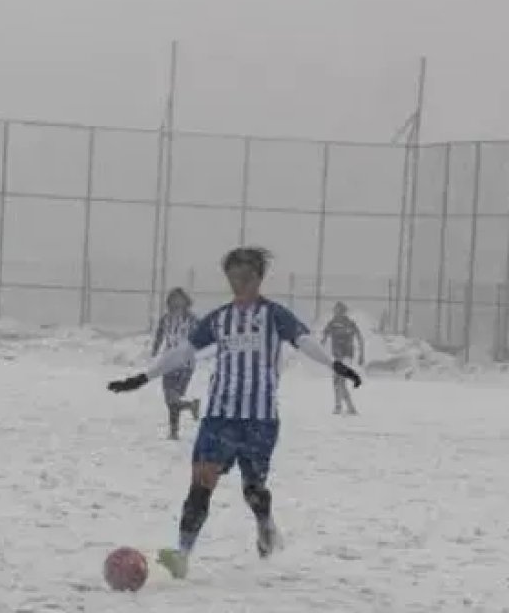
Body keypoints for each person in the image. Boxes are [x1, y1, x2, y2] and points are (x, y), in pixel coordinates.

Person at [107, 246, 362, 580]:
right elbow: (182, 351)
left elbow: (304, 341)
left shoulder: (275, 316)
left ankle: (264, 523)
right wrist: (141, 378)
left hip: (260, 418)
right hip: (219, 415)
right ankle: (182, 555)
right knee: (201, 482)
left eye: (247, 276)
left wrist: (336, 365)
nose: (240, 282)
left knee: (253, 489)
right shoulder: (219, 319)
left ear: (259, 277)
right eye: (234, 276)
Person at [152, 288, 200, 439]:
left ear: (186, 301)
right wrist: (155, 349)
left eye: (180, 299)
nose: (177, 302)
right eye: (174, 299)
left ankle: (174, 431)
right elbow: (159, 335)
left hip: (185, 363)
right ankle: (189, 407)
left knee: (173, 396)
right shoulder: (165, 319)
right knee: (169, 398)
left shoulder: (192, 320)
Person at [321, 301, 365, 415]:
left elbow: (360, 338)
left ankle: (340, 406)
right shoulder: (332, 323)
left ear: (343, 312)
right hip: (337, 356)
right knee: (338, 381)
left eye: (338, 310)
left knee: (339, 380)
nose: (336, 313)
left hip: (346, 356)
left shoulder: (349, 323)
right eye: (335, 310)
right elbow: (324, 337)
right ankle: (348, 407)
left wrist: (362, 354)